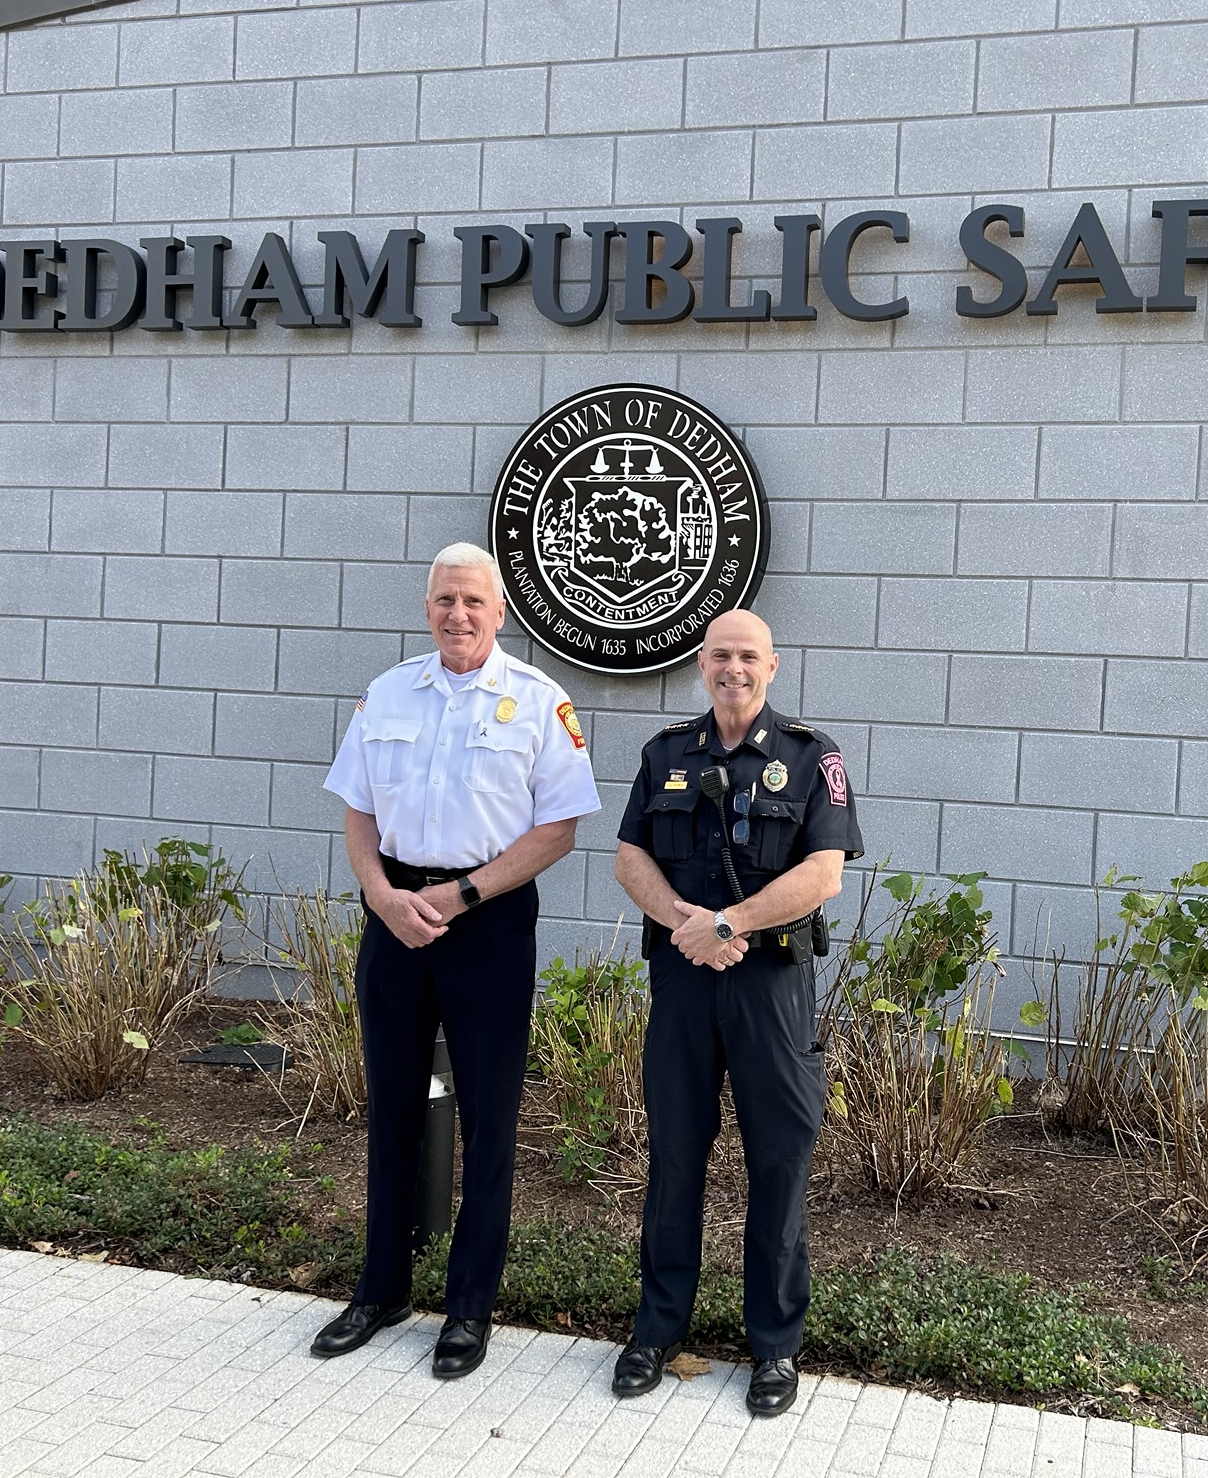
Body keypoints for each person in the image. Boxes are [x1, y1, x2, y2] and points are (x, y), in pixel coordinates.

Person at [311, 541, 600, 1378]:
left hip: (488, 926)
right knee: (392, 1108)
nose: (458, 614)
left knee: (489, 1118)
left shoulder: (540, 702)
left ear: (499, 612)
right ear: (427, 606)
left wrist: (464, 894)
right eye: (445, 600)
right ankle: (382, 1289)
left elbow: (558, 829)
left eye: (474, 601)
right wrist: (380, 896)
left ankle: (470, 1306)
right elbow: (359, 811)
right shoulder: (388, 693)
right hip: (395, 919)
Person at [609, 609, 863, 1417]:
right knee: (674, 1156)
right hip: (683, 982)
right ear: (702, 663)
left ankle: (775, 1346)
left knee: (779, 1163)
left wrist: (729, 924)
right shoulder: (665, 753)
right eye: (720, 655)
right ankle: (656, 1331)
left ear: (772, 666)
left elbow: (824, 872)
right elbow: (630, 856)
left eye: (748, 656)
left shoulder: (812, 756)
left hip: (770, 986)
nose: (734, 668)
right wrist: (687, 924)